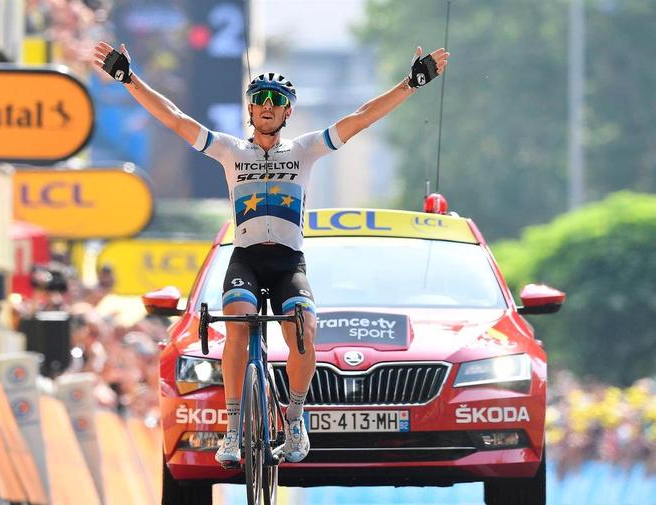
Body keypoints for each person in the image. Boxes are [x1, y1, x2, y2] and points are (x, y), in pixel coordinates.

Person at [93, 41, 449, 465]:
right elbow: (175, 120)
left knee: (303, 329)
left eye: (276, 100)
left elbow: (360, 119)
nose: (266, 105)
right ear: (249, 110)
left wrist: (410, 83)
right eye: (258, 99)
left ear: (287, 113)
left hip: (287, 263)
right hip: (245, 260)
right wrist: (129, 79)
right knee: (238, 325)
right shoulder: (230, 150)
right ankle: (231, 430)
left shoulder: (304, 150)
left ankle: (295, 421)